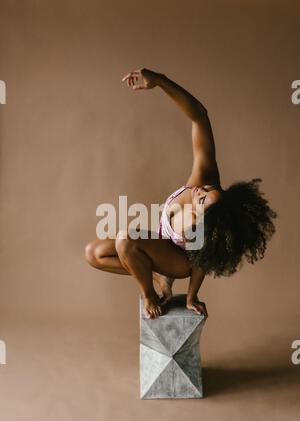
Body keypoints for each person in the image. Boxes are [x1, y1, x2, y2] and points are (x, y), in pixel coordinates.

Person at [85, 68, 277, 319]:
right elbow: (200, 117)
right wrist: (160, 81)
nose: (201, 191)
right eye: (211, 189)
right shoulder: (205, 178)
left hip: (180, 261)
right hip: (163, 245)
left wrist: (190, 297)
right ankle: (154, 272)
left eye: (204, 200)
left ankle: (150, 293)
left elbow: (202, 262)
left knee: (125, 240)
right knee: (93, 253)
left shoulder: (201, 231)